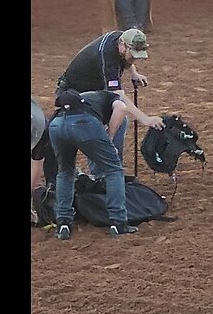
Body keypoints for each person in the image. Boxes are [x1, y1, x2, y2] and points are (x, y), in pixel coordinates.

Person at [48, 88, 165, 239]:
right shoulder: (112, 97)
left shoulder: (90, 96)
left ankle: (63, 222)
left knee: (65, 171)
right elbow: (121, 109)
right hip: (84, 122)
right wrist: (109, 136)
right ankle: (118, 222)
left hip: (57, 124)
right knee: (113, 170)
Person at [55, 28, 152, 158]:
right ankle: (104, 167)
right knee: (110, 121)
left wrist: (134, 73)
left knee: (118, 120)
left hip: (92, 89)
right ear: (122, 45)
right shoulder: (108, 58)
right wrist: (143, 117)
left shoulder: (120, 37)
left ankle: (109, 164)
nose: (135, 58)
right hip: (74, 94)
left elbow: (126, 59)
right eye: (133, 54)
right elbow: (118, 96)